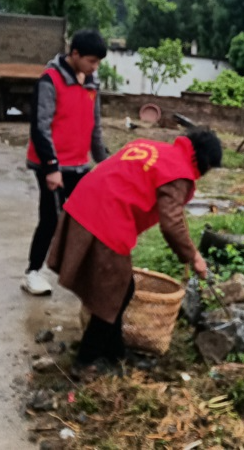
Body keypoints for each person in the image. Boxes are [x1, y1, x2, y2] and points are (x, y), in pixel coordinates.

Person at [47, 130, 222, 371]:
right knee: (112, 295)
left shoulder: (156, 149)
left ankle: (115, 352)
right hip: (106, 218)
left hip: (84, 202)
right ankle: (85, 360)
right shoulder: (179, 172)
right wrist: (194, 256)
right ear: (205, 162)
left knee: (123, 289)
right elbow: (172, 224)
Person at [22, 29, 108, 296]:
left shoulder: (92, 83)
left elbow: (95, 126)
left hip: (79, 164)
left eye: (98, 62)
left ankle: (78, 271)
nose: (94, 67)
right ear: (75, 54)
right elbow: (40, 127)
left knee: (86, 217)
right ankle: (33, 272)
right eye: (91, 61)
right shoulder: (51, 79)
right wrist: (51, 167)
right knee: (51, 219)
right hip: (51, 165)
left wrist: (104, 162)